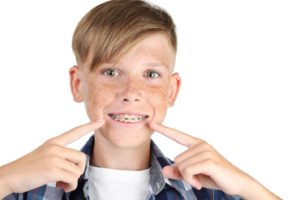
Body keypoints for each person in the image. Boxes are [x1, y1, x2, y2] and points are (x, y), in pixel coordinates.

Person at [0, 0, 281, 199]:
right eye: (111, 71)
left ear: (172, 90)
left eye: (150, 74)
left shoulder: (207, 192)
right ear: (77, 84)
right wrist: (5, 179)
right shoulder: (28, 190)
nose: (131, 92)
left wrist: (249, 189)